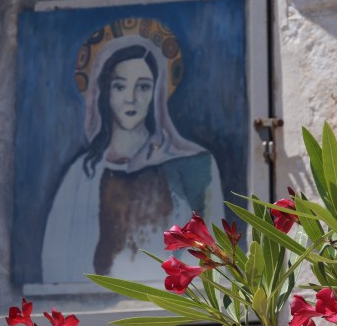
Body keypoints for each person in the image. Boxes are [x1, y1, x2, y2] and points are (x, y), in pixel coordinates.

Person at [41, 18, 224, 285]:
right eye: (119, 86)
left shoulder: (194, 165)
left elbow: (212, 256)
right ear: (104, 92)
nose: (130, 98)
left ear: (157, 94)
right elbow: (56, 263)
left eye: (143, 86)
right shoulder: (82, 175)